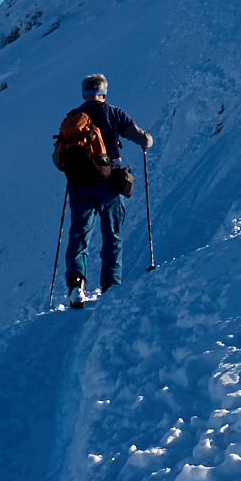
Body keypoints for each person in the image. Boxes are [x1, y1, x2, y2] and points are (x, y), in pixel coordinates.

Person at [56, 74, 151, 307]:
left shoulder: (72, 119)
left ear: (83, 94)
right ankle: (110, 285)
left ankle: (76, 287)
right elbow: (144, 140)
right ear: (104, 94)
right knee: (112, 236)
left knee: (79, 237)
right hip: (110, 186)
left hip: (80, 187)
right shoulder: (115, 113)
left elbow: (58, 161)